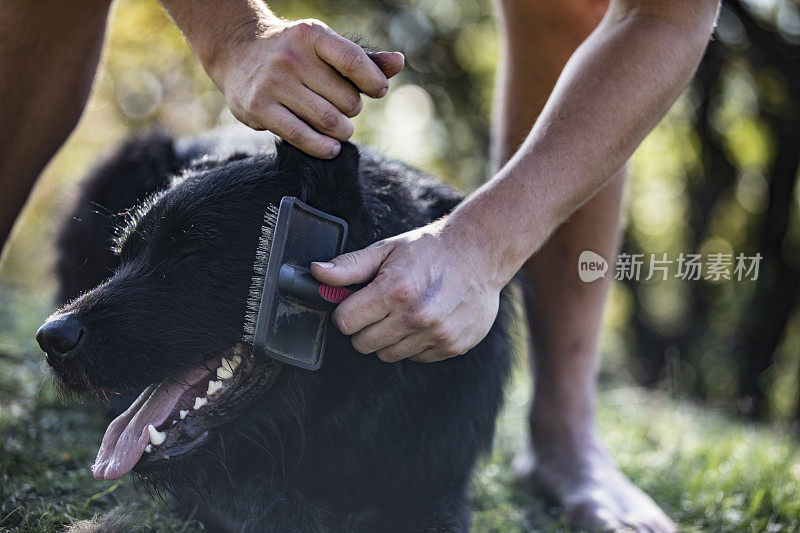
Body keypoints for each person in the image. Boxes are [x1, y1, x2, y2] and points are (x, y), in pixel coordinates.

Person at [0, 0, 720, 530]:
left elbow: (665, 15)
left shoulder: (441, 393)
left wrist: (485, 243)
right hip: (202, 165)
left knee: (573, 7)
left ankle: (565, 426)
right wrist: (236, 37)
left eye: (184, 259)